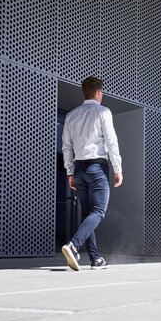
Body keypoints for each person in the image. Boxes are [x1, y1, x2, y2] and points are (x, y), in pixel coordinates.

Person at [61, 76, 123, 271]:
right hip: (97, 167)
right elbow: (111, 141)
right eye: (102, 92)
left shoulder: (71, 115)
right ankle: (74, 245)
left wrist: (70, 172)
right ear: (98, 92)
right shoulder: (103, 112)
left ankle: (95, 259)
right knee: (98, 212)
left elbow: (66, 147)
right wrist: (118, 168)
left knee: (88, 214)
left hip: (79, 169)